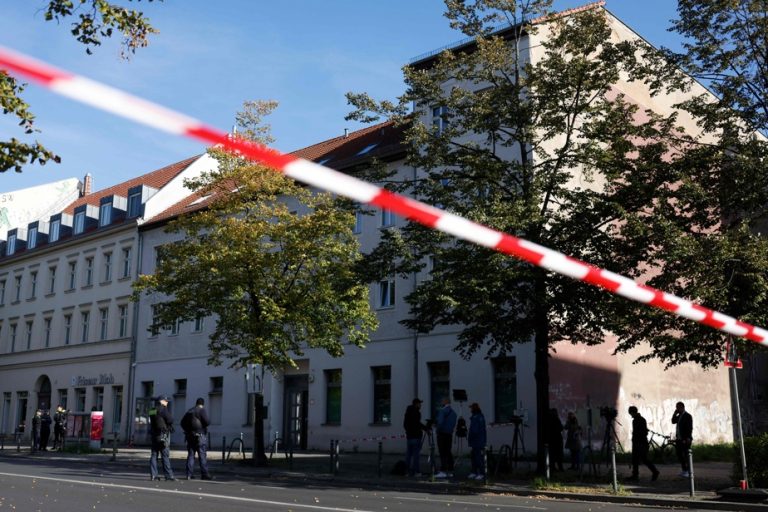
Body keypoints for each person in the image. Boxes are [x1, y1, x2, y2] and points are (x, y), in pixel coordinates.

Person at [181, 397, 213, 480]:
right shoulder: (201, 410)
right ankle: (204, 474)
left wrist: (188, 431)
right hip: (200, 436)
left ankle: (189, 474)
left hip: (190, 436)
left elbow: (182, 423)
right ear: (202, 404)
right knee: (202, 455)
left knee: (191, 455)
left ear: (196, 403)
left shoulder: (189, 410)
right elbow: (207, 422)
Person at [627, 406, 659, 482]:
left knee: (641, 459)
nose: (631, 415)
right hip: (642, 442)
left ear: (632, 412)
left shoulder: (636, 420)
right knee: (638, 459)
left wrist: (635, 440)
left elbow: (638, 432)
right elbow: (644, 431)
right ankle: (635, 475)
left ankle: (654, 472)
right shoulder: (642, 419)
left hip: (639, 443)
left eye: (630, 413)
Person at [148, 395, 176, 481]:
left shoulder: (152, 410)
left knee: (154, 455)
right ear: (161, 401)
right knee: (165, 455)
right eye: (165, 401)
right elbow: (170, 420)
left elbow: (153, 420)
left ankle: (153, 475)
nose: (167, 402)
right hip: (163, 436)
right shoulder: (163, 409)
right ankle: (168, 475)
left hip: (154, 435)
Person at [434, 397, 457, 479]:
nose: (441, 401)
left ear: (445, 402)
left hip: (442, 434)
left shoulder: (442, 411)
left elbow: (440, 422)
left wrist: (437, 429)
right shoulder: (454, 413)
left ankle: (443, 470)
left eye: (442, 400)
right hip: (449, 434)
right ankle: (451, 470)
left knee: (442, 452)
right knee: (448, 452)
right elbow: (453, 424)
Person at [403, 398, 426, 477]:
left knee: (408, 455)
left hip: (409, 436)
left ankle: (407, 471)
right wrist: (425, 428)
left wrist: (408, 432)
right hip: (416, 436)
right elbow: (417, 423)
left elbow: (405, 424)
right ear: (416, 404)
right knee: (416, 455)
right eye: (419, 404)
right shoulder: (417, 413)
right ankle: (416, 471)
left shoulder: (407, 412)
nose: (420, 405)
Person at [672, 401, 693, 478]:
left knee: (686, 456)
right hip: (679, 439)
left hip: (685, 439)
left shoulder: (687, 416)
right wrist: (675, 413)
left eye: (677, 407)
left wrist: (687, 438)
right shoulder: (679, 416)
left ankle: (689, 471)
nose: (676, 409)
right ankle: (684, 470)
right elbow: (673, 421)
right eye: (676, 407)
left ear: (682, 407)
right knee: (679, 455)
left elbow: (689, 428)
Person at [467, 402, 487, 480]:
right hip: (477, 440)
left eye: (471, 408)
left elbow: (475, 430)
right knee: (474, 456)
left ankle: (481, 473)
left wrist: (470, 437)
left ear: (474, 408)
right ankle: (474, 472)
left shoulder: (476, 417)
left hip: (477, 440)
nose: (470, 409)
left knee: (478, 457)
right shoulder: (478, 417)